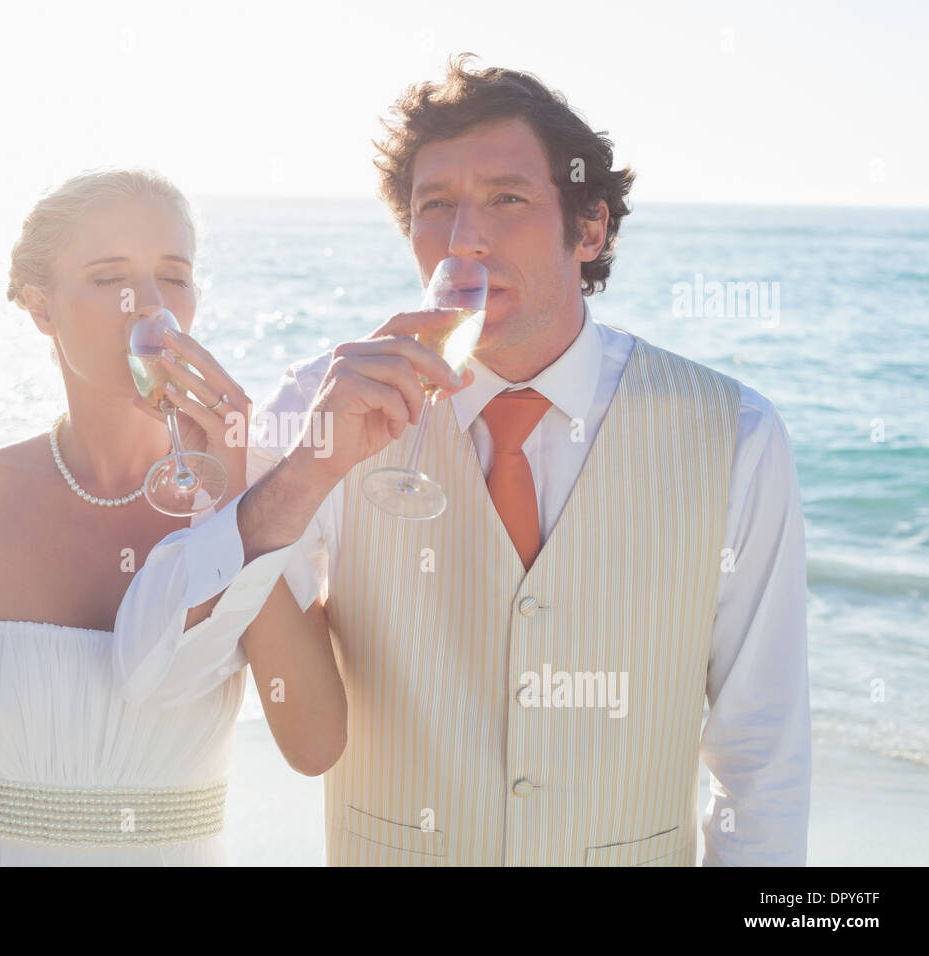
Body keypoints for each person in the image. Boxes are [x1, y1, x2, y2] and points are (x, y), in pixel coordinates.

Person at [118, 54, 811, 866]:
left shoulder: (736, 434)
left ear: (590, 228)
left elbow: (762, 752)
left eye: (507, 200)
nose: (464, 240)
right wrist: (306, 471)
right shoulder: (322, 402)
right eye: (434, 207)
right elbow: (154, 676)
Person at [0, 167, 386, 865]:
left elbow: (314, 744)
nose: (149, 306)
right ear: (41, 309)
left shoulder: (257, 498)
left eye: (174, 275)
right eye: (110, 278)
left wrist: (227, 501)